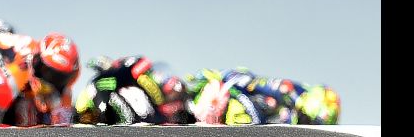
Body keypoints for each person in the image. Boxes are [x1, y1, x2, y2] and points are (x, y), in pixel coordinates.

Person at [185, 68, 340, 125]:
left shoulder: (290, 118)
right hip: (228, 94)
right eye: (311, 121)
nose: (310, 127)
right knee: (265, 105)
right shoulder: (287, 91)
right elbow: (245, 80)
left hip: (243, 124)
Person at [74, 55, 193, 125]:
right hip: (98, 100)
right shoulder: (141, 66)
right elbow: (125, 68)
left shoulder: (160, 111)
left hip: (141, 114)